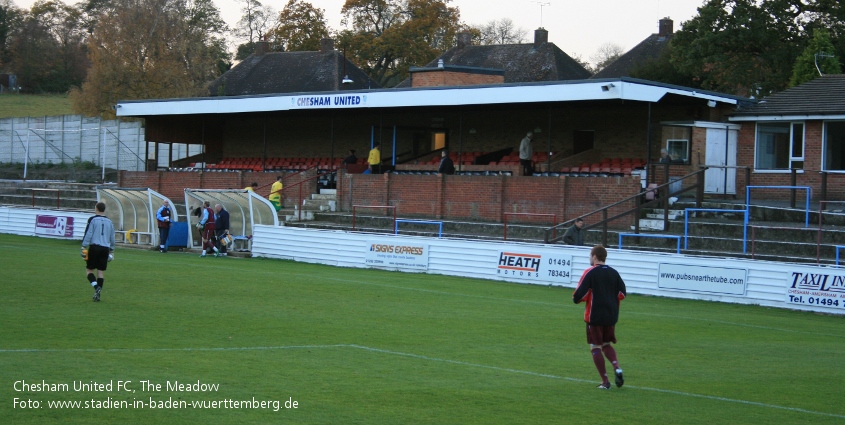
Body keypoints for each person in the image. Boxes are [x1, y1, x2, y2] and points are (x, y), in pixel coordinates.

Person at [573, 245, 627, 390]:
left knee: (595, 346)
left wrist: (586, 298)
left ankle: (605, 382)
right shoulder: (614, 273)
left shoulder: (590, 272)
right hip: (611, 315)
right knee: (606, 344)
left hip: (594, 315)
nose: (589, 258)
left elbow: (578, 296)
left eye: (590, 255)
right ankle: (617, 367)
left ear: (595, 256)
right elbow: (622, 293)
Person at [81, 202, 115, 302]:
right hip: (105, 249)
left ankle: (96, 288)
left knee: (89, 271)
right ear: (104, 209)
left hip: (94, 247)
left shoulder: (92, 219)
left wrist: (83, 246)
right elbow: (112, 237)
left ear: (96, 208)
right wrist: (112, 250)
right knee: (100, 272)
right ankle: (98, 295)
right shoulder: (110, 222)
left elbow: (89, 233)